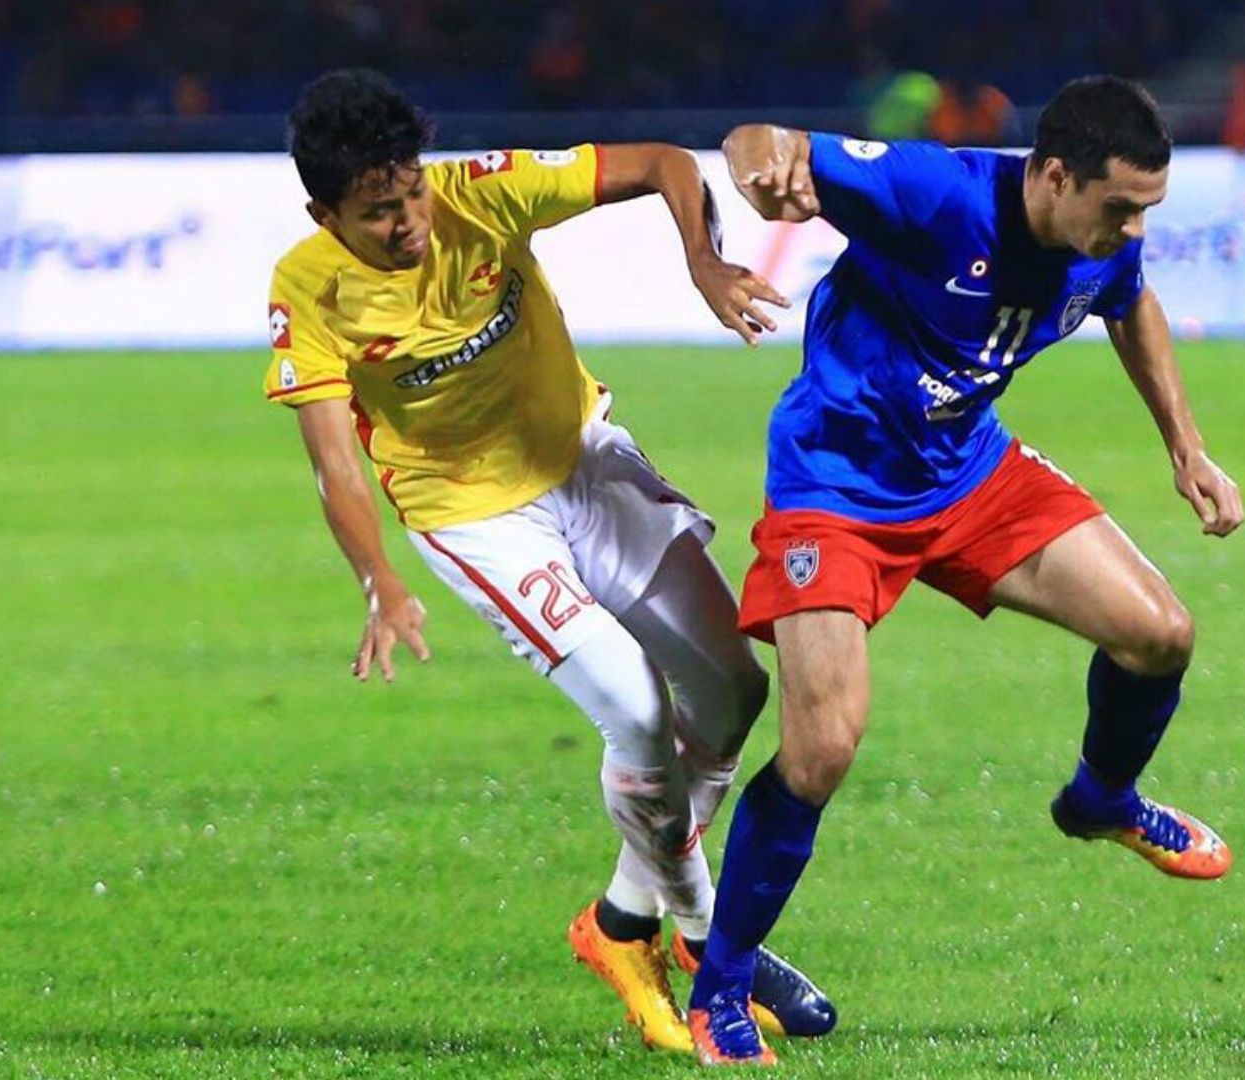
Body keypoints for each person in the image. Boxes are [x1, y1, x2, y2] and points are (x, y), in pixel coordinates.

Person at [262, 69, 834, 1055]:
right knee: (638, 711)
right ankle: (711, 946)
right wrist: (381, 583)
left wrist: (703, 260)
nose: (406, 222)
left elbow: (662, 162)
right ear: (324, 212)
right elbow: (333, 460)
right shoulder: (307, 288)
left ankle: (620, 923)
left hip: (584, 465)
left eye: (409, 194)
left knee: (735, 693)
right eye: (375, 211)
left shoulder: (480, 193)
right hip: (475, 517)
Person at [687, 76, 1245, 1065]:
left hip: (969, 473)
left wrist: (1186, 448)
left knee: (1161, 633)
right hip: (837, 485)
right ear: (1056, 175)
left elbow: (1131, 302)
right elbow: (755, 134)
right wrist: (761, 164)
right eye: (1118, 208)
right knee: (822, 748)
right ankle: (720, 985)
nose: (1129, 230)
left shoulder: (1102, 239)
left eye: (1145, 212)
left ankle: (1102, 800)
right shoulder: (936, 194)